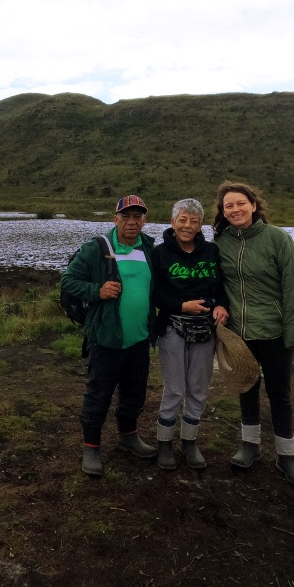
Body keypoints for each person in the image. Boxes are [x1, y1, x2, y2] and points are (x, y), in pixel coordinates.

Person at [213, 182, 294, 486]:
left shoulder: (277, 239)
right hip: (241, 333)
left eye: (241, 203)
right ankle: (249, 447)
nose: (235, 209)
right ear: (223, 212)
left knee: (280, 395)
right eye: (229, 206)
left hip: (275, 332)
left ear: (253, 206)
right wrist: (220, 307)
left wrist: (291, 333)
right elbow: (217, 285)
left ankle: (287, 458)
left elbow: (293, 288)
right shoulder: (221, 243)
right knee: (247, 387)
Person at [61, 195, 158, 476]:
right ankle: (91, 446)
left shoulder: (149, 248)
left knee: (135, 392)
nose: (132, 222)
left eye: (138, 216)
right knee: (98, 394)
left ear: (144, 221)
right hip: (105, 338)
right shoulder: (97, 248)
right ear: (115, 220)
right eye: (126, 216)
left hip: (139, 338)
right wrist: (97, 291)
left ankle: (129, 436)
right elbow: (69, 280)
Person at [152, 199, 229, 471]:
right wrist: (180, 305)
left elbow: (222, 286)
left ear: (200, 225)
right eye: (182, 220)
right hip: (173, 326)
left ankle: (189, 442)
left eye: (193, 221)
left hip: (205, 330)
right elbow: (155, 293)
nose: (187, 226)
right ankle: (164, 444)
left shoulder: (211, 251)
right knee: (174, 388)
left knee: (198, 387)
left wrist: (221, 305)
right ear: (172, 223)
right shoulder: (159, 253)